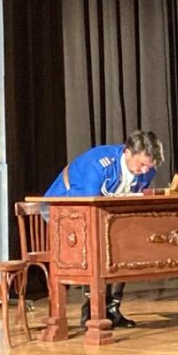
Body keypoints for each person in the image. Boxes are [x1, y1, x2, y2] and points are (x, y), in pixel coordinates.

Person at [44, 130, 164, 328]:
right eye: (141, 164)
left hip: (104, 215)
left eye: (149, 166)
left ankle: (112, 309)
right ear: (127, 152)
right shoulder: (99, 163)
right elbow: (86, 205)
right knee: (92, 248)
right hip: (64, 208)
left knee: (123, 249)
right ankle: (92, 311)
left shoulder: (147, 171)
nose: (144, 171)